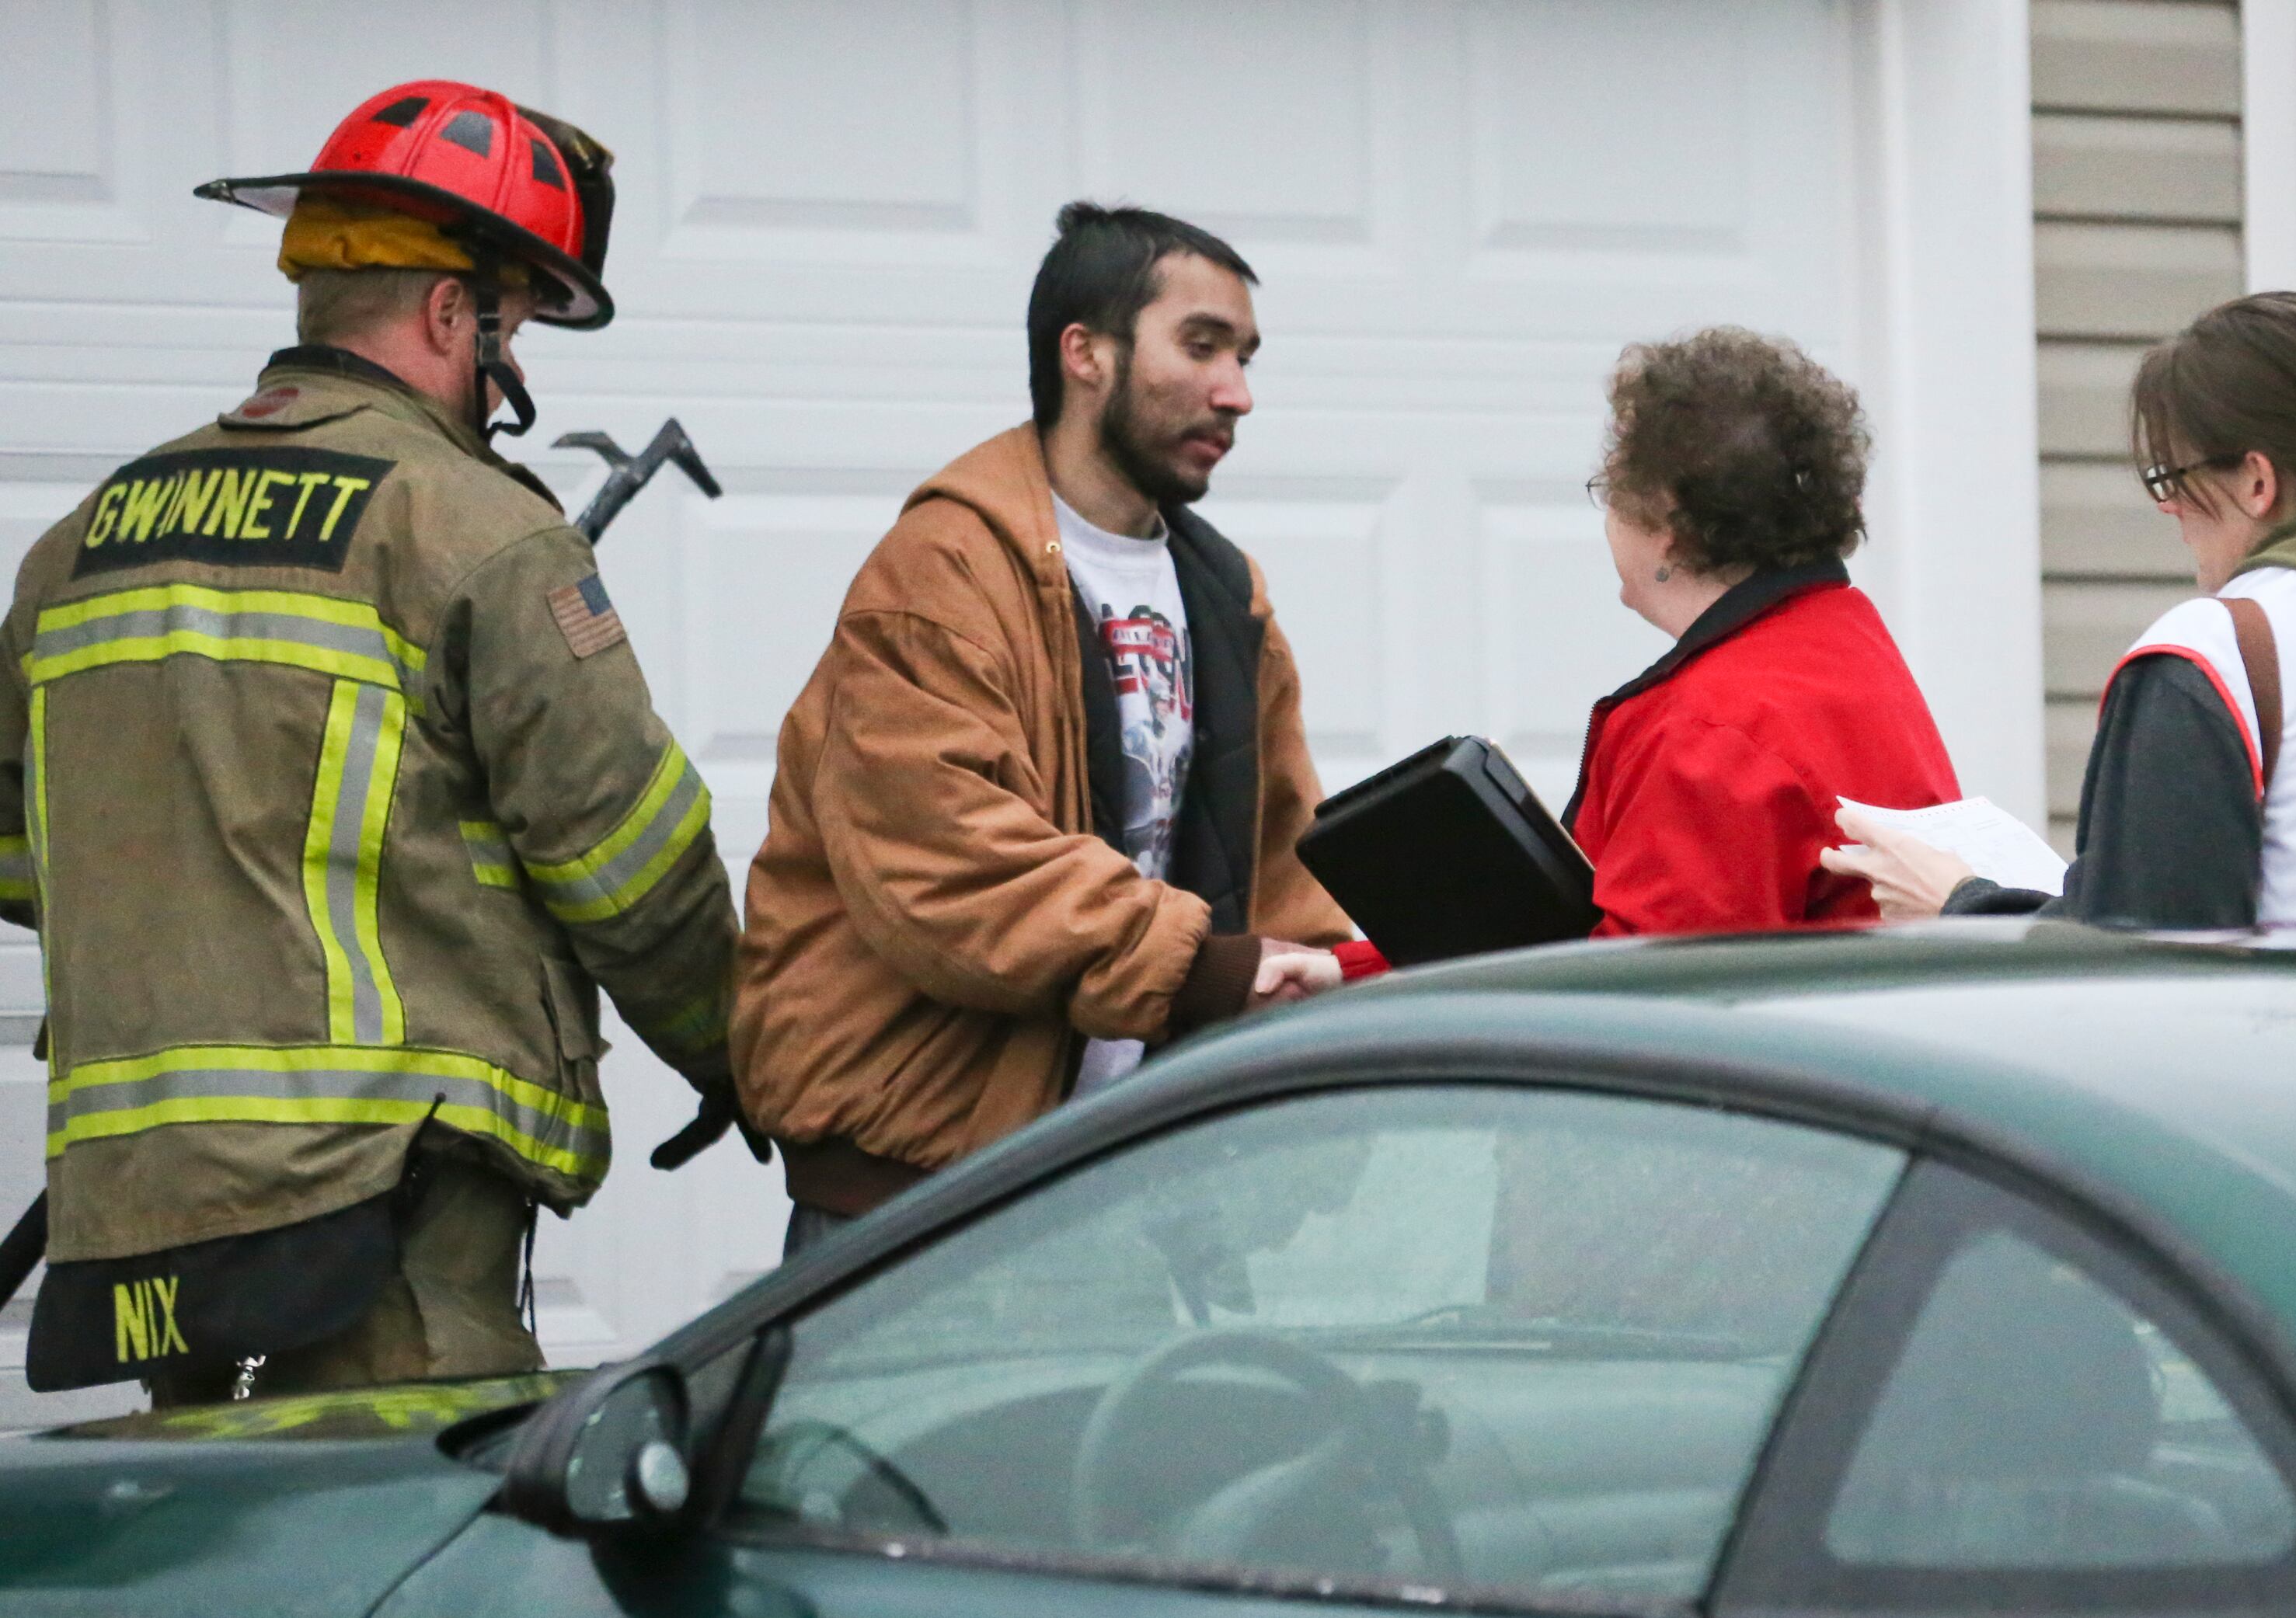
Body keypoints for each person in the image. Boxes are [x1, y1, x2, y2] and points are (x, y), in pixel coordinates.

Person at [0, 81, 746, 1407]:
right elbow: (627, 861)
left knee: (201, 1562)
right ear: (455, 312)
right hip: (382, 1200)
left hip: (142, 1211)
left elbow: (20, 851)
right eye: (512, 323)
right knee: (397, 1548)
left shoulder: (80, 544)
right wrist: (740, 1050)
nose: (514, 363)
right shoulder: (475, 530)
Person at [732, 203, 1351, 1257]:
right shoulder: (941, 572)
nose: (1237, 393)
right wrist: (1204, 966)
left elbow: (1285, 860)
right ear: (1087, 354)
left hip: (1133, 1192)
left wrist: (1330, 994)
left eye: (1244, 358)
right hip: (921, 1199)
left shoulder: (1224, 591)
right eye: (1201, 346)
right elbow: (949, 864)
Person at [1827, 292, 2296, 951]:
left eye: (2173, 478)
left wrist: (1960, 907)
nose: (2168, 509)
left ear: (2257, 481)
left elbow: (2145, 976)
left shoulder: (2213, 659)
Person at [1565, 327, 1960, 934]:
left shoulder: (1710, 730)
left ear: (1668, 521)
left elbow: (1633, 996)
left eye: (1611, 490)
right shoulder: (1840, 636)